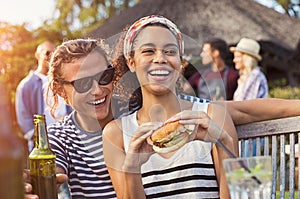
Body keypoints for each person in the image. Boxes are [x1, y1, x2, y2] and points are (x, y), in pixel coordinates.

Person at [102, 15, 238, 198]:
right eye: (148, 51)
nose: (160, 58)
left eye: (170, 51)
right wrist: (132, 168)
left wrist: (225, 143)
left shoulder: (212, 115)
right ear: (131, 62)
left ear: (180, 63)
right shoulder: (116, 134)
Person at [45, 38, 132, 198]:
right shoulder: (60, 137)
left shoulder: (135, 111)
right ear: (60, 90)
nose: (98, 90)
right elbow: (50, 173)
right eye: (83, 83)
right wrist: (38, 182)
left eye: (104, 76)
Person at [15, 41, 71, 151]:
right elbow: (23, 116)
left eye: (54, 53)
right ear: (37, 55)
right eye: (47, 53)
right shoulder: (26, 85)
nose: (51, 56)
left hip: (66, 141)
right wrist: (37, 136)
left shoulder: (62, 81)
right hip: (42, 146)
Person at [230, 38, 268, 156]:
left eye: (237, 56)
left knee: (246, 169)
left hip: (253, 131)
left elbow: (246, 107)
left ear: (246, 58)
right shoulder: (244, 79)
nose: (234, 60)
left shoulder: (255, 77)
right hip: (247, 131)